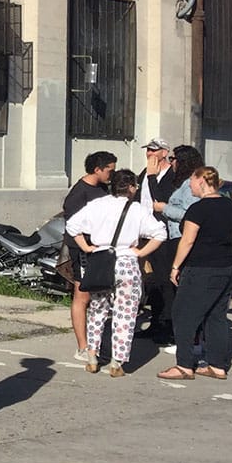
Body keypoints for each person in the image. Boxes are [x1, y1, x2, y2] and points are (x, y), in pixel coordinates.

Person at [67, 169, 166, 377]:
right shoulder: (137, 209)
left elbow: (72, 225)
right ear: (131, 187)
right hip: (126, 261)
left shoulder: (97, 205)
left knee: (97, 309)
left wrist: (85, 247)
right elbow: (160, 233)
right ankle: (116, 361)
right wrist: (140, 252)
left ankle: (92, 355)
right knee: (125, 312)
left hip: (101, 261)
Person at [159, 166, 232, 382]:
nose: (189, 186)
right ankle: (217, 365)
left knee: (183, 314)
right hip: (228, 267)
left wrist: (175, 267)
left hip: (203, 269)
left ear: (202, 181)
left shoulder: (198, 209)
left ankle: (184, 365)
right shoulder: (229, 205)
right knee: (216, 316)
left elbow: (188, 240)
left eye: (191, 181)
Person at [64, 151, 117, 365]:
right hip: (83, 251)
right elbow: (73, 226)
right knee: (82, 296)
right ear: (97, 169)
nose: (111, 175)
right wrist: (86, 245)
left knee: (100, 297)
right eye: (109, 170)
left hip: (101, 250)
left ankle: (95, 343)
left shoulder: (104, 189)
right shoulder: (79, 193)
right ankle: (82, 346)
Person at [137, 139, 178, 337]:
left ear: (164, 152)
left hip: (162, 233)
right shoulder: (144, 173)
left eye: (154, 150)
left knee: (164, 279)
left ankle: (166, 324)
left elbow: (162, 199)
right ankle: (155, 321)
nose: (150, 154)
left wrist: (153, 178)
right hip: (143, 232)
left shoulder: (170, 175)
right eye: (148, 150)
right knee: (150, 280)